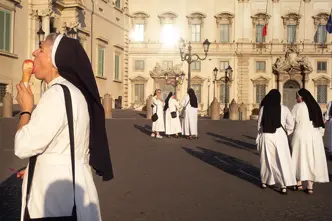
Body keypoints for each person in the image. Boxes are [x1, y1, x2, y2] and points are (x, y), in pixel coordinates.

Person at [14, 33, 113, 220]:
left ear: (55, 60)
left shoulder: (56, 95)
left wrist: (26, 110)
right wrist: (38, 164)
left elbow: (22, 146)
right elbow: (66, 142)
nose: (34, 52)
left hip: (54, 202)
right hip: (72, 190)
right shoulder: (73, 92)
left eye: (41, 49)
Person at [256, 89, 296, 194]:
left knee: (267, 159)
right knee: (281, 159)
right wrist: (286, 133)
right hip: (280, 136)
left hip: (266, 134)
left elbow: (259, 124)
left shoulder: (264, 109)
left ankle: (265, 180)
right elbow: (291, 124)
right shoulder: (284, 108)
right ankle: (283, 183)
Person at [291, 88, 329, 194]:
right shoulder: (316, 106)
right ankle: (310, 186)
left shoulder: (297, 107)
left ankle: (298, 182)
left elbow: (291, 121)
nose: (296, 98)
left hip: (301, 135)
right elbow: (321, 124)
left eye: (297, 96)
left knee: (299, 158)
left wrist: (288, 132)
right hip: (314, 136)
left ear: (301, 97)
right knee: (311, 159)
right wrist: (319, 136)